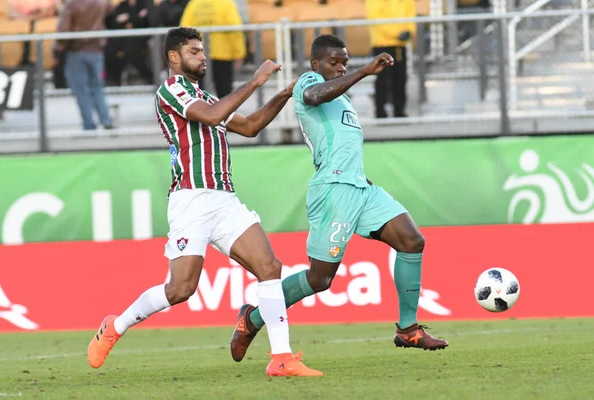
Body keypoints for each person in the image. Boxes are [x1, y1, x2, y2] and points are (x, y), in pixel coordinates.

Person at [87, 27, 322, 378]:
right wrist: (255, 82)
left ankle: (282, 358)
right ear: (173, 57)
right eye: (195, 51)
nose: (203, 56)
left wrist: (285, 93)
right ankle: (115, 325)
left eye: (203, 51)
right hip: (191, 200)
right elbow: (212, 118)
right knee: (181, 289)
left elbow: (251, 126)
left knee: (269, 267)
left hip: (224, 199)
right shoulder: (171, 90)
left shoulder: (208, 97)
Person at [230, 34, 448, 363]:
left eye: (344, 62)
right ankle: (254, 317)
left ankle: (408, 329)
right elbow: (314, 95)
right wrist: (362, 71)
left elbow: (344, 145)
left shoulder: (343, 100)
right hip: (333, 190)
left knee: (411, 240)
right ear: (316, 63)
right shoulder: (310, 82)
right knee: (320, 279)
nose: (340, 67)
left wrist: (362, 179)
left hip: (360, 188)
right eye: (334, 62)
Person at [55, 0, 114, 130]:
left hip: (77, 50)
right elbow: (111, 14)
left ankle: (89, 123)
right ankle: (105, 119)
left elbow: (64, 29)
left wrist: (59, 47)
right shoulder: (102, 2)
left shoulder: (72, 4)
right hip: (96, 49)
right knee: (97, 87)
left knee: (80, 89)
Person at [179, 0, 246, 98]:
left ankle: (202, 113)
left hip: (197, 56)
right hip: (222, 54)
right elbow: (235, 30)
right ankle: (224, 113)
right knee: (225, 96)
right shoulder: (226, 4)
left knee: (199, 94)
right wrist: (239, 53)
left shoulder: (194, 4)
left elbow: (184, 30)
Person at [366, 0, 416, 118]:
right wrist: (397, 34)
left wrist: (409, 31)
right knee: (383, 79)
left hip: (399, 46)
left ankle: (400, 111)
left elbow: (411, 17)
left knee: (400, 78)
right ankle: (380, 112)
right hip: (382, 44)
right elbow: (376, 19)